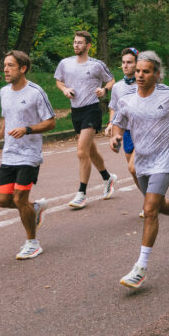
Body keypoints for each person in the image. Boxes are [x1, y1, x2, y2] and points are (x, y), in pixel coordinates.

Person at [110, 51, 169, 290]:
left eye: (145, 71)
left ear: (156, 74)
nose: (139, 75)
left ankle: (141, 267)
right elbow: (119, 123)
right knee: (156, 204)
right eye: (137, 71)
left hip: (165, 158)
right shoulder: (127, 98)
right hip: (143, 160)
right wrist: (116, 136)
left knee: (149, 210)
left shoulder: (168, 94)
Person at [0, 50, 56, 259]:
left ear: (23, 68)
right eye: (4, 65)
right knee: (2, 200)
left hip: (29, 154)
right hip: (9, 154)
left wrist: (28, 129)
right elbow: (7, 121)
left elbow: (51, 122)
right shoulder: (4, 92)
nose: (5, 69)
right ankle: (35, 208)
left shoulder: (35, 92)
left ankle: (32, 243)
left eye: (10, 66)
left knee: (19, 198)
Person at [54, 31, 117, 210]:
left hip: (91, 109)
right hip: (76, 111)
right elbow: (58, 81)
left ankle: (81, 193)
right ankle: (107, 177)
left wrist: (104, 90)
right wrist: (64, 89)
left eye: (80, 43)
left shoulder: (97, 65)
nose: (76, 46)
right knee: (90, 151)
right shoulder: (65, 63)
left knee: (82, 151)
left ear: (88, 45)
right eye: (75, 42)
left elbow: (111, 80)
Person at [106, 48, 141, 196]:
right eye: (123, 62)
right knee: (134, 171)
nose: (125, 65)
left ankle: (151, 201)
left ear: (137, 64)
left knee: (134, 168)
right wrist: (110, 124)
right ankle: (150, 198)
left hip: (143, 131)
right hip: (126, 131)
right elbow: (114, 107)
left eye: (129, 62)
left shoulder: (144, 83)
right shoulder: (117, 87)